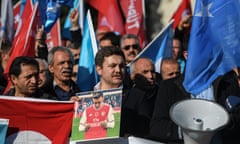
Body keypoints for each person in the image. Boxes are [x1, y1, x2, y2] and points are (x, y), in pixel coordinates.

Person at [120, 57, 158, 138]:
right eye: (145, 72)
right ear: (133, 76)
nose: (150, 76)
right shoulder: (129, 96)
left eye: (152, 71)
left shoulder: (162, 92)